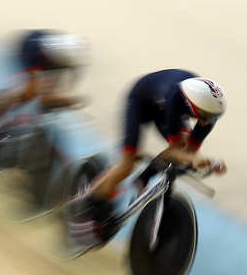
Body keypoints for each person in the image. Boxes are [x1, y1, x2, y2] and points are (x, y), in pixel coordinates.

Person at [68, 69, 227, 249]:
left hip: (161, 104)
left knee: (183, 152)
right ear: (192, 105)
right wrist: (195, 159)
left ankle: (143, 178)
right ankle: (90, 205)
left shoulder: (208, 111)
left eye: (214, 117)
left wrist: (208, 162)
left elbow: (190, 152)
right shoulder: (175, 98)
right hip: (140, 102)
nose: (208, 122)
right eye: (205, 116)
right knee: (127, 164)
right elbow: (176, 151)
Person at [0, 29, 89, 125]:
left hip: (50, 61)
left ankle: (43, 108)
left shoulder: (71, 58)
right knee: (29, 92)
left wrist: (60, 96)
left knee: (49, 94)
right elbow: (32, 85)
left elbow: (71, 78)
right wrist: (31, 92)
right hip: (25, 54)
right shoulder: (33, 48)